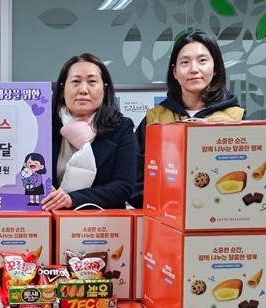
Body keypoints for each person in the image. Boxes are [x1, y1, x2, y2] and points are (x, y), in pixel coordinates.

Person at [129, 30, 246, 208]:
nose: (193, 69)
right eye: (185, 62)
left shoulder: (236, 118)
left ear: (215, 68)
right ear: (175, 72)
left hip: (218, 212)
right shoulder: (155, 118)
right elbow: (133, 177)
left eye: (202, 60)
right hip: (165, 213)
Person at [41, 53, 137, 211]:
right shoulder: (44, 126)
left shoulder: (121, 128)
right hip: (48, 218)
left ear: (104, 88)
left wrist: (73, 199)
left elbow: (123, 186)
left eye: (92, 82)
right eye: (75, 82)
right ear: (63, 89)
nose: (83, 90)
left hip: (101, 222)